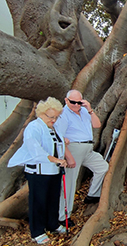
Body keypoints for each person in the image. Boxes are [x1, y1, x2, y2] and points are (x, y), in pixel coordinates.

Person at [8, 97, 68, 244]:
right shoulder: (33, 127)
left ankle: (52, 224)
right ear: (41, 113)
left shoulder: (54, 127)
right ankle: (37, 231)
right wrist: (56, 160)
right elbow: (36, 150)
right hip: (38, 172)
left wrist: (62, 157)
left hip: (54, 171)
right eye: (51, 117)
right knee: (39, 201)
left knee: (53, 199)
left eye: (56, 117)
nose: (54, 120)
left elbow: (58, 145)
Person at [54, 89, 109, 227]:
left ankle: (92, 194)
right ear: (66, 100)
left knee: (102, 167)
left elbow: (97, 125)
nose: (76, 105)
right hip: (73, 149)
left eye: (79, 102)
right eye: (73, 102)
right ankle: (63, 216)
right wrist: (68, 156)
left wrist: (89, 109)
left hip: (88, 148)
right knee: (70, 183)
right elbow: (59, 138)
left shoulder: (84, 111)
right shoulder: (63, 114)